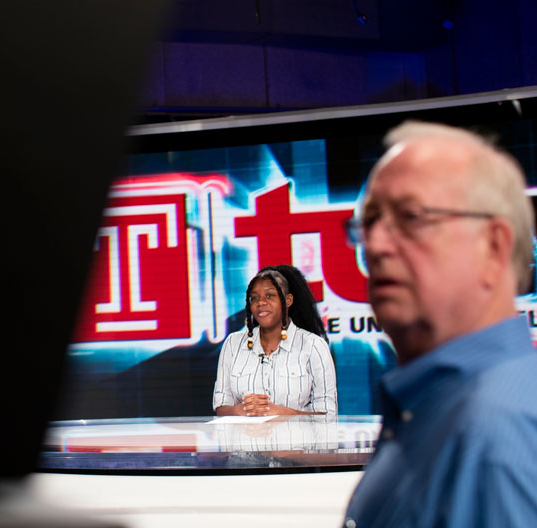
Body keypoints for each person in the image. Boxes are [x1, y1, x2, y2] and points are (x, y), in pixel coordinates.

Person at [343, 121, 537, 527]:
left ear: (494, 246)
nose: (375, 246)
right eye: (370, 222)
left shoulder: (496, 439)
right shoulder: (435, 408)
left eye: (412, 217)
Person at [213, 264, 337, 416]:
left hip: (297, 439)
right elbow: (221, 406)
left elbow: (328, 415)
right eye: (255, 298)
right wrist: (238, 411)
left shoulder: (314, 346)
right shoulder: (233, 344)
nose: (261, 303)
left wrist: (282, 413)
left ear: (288, 300)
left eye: (270, 295)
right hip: (244, 438)